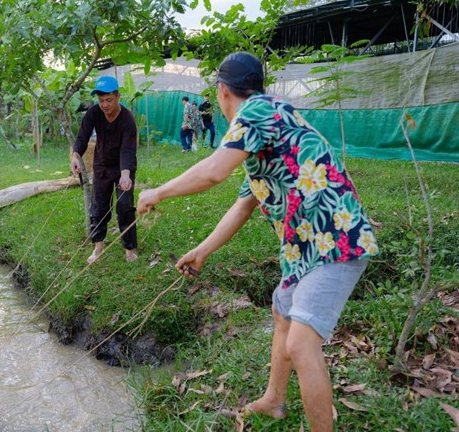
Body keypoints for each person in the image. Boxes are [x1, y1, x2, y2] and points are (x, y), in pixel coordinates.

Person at [137, 51, 379, 432]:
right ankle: (274, 400)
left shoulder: (255, 113)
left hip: (334, 240)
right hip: (303, 248)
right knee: (282, 314)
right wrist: (202, 250)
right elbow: (242, 206)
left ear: (223, 92)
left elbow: (214, 171)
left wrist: (158, 193)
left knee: (301, 343)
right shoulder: (266, 126)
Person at [71, 75, 138, 264]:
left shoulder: (127, 119)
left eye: (109, 100)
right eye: (101, 101)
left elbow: (128, 149)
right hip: (101, 165)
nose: (105, 105)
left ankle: (129, 249)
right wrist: (76, 156)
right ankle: (98, 248)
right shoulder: (93, 113)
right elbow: (83, 137)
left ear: (117, 97)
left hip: (124, 167)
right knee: (99, 207)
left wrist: (126, 174)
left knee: (125, 206)